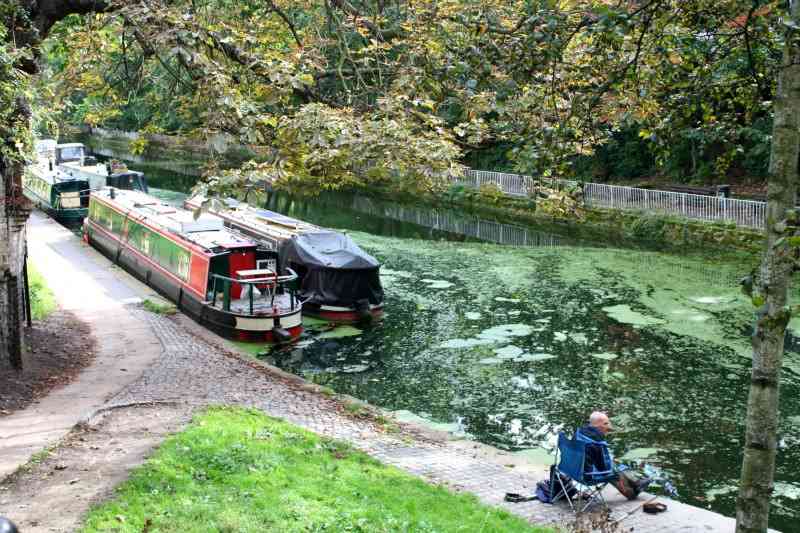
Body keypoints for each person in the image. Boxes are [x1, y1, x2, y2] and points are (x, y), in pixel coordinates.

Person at [577, 411, 652, 500]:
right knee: (614, 472)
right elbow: (604, 469)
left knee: (613, 463)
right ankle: (632, 492)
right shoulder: (597, 443)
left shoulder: (580, 431)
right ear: (599, 425)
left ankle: (636, 482)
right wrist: (616, 469)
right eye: (606, 424)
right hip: (587, 475)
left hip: (574, 469)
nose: (609, 427)